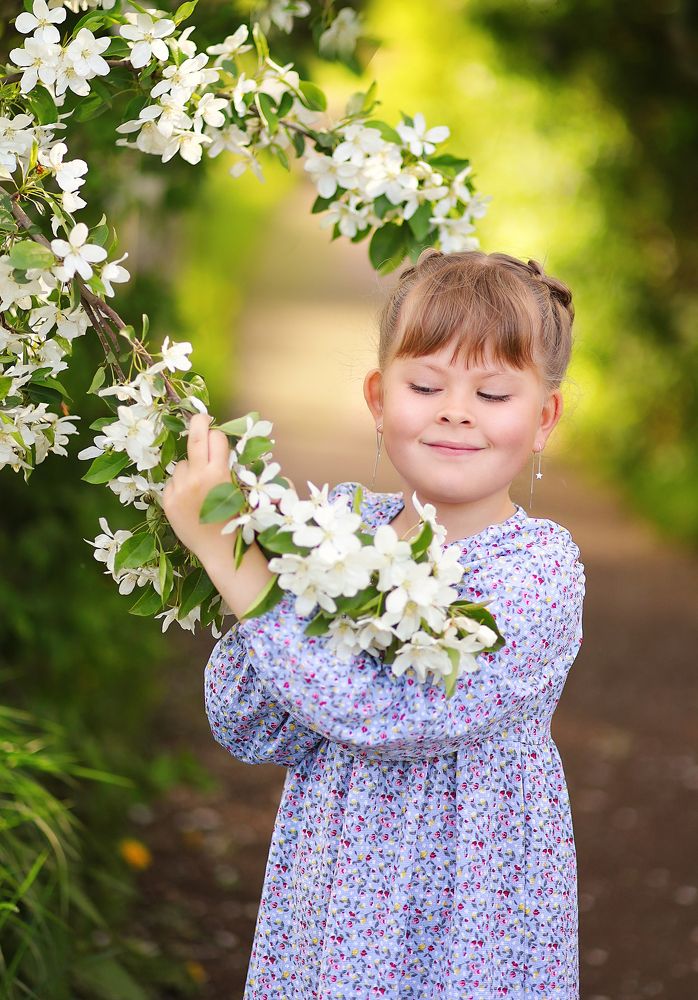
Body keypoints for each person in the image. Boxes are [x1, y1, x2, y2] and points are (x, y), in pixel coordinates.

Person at [162, 247, 586, 998]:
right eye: (426, 384)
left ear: (544, 417)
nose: (456, 410)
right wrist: (270, 557)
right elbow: (250, 723)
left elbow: (385, 714)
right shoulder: (337, 531)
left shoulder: (539, 571)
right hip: (337, 906)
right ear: (379, 399)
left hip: (471, 914)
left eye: (493, 394)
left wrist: (231, 563)